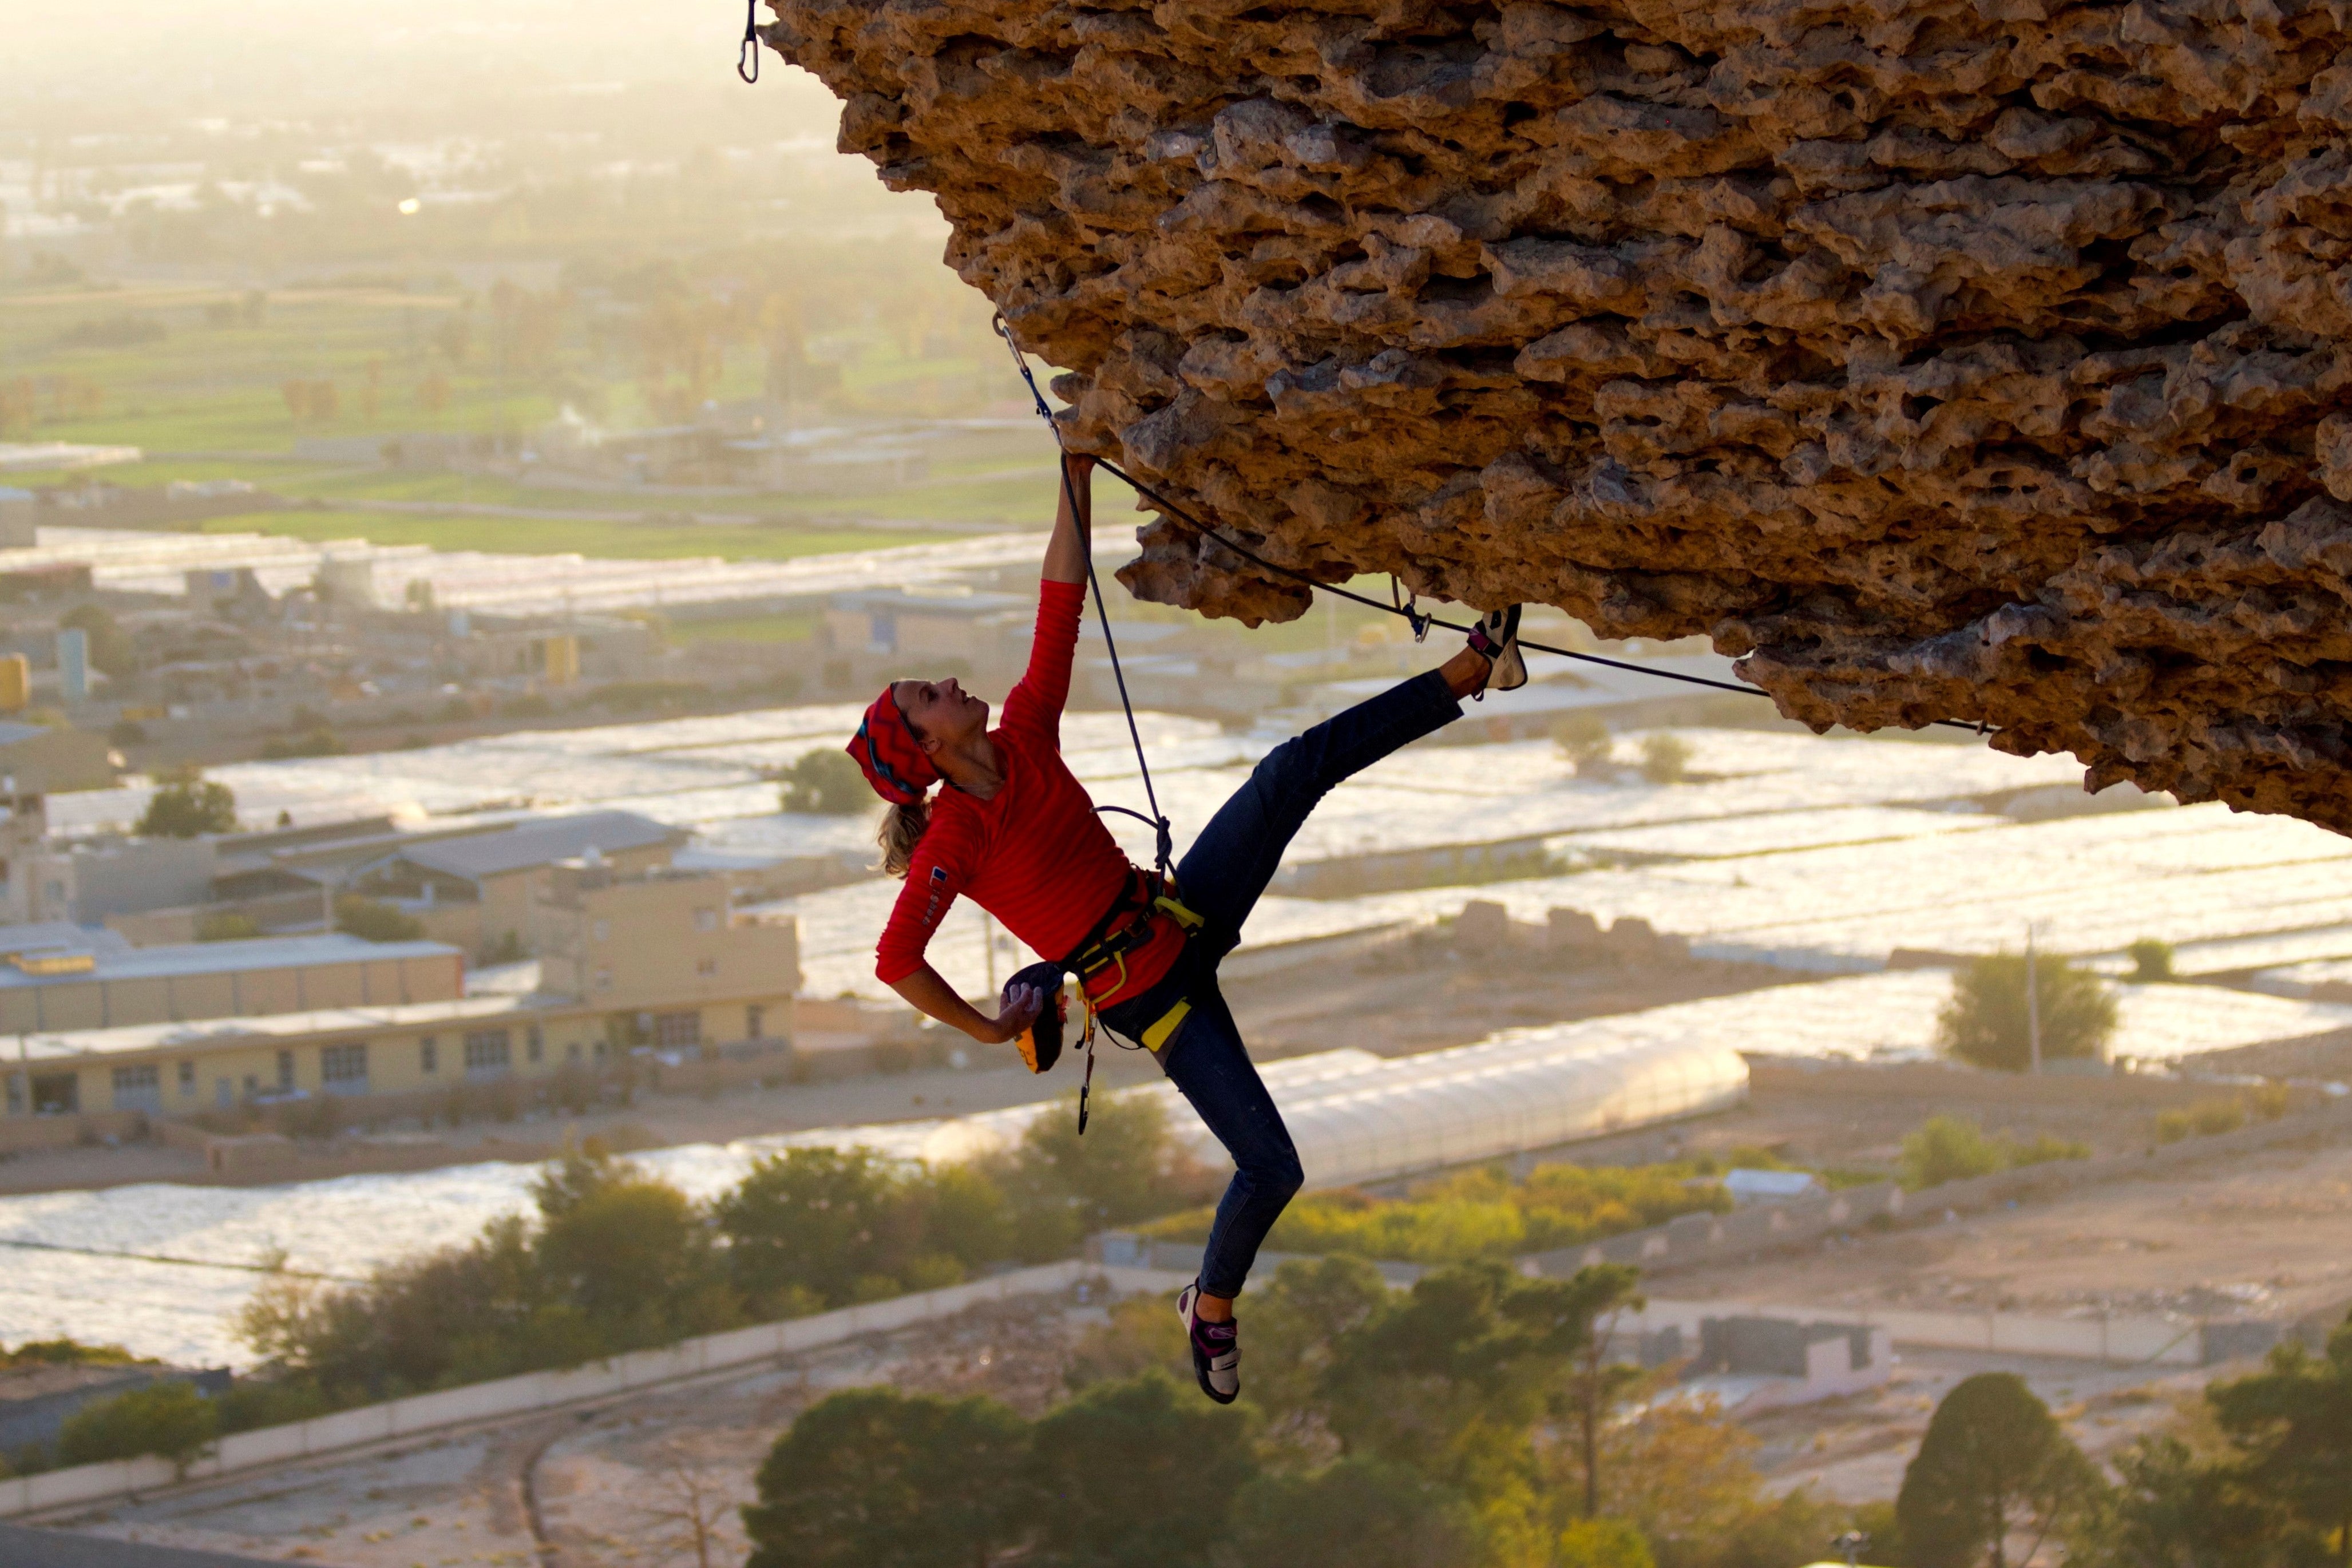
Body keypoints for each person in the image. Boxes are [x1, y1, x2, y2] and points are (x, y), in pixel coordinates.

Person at [846, 453, 1525, 1403]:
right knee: (1272, 1165)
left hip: (1177, 915)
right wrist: (988, 1027)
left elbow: (1061, 594)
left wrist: (1073, 468)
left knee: (1289, 772)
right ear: (926, 747)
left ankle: (1472, 668)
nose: (952, 683)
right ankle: (1208, 1304)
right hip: (1154, 997)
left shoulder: (1024, 734)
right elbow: (894, 961)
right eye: (928, 696)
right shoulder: (955, 834)